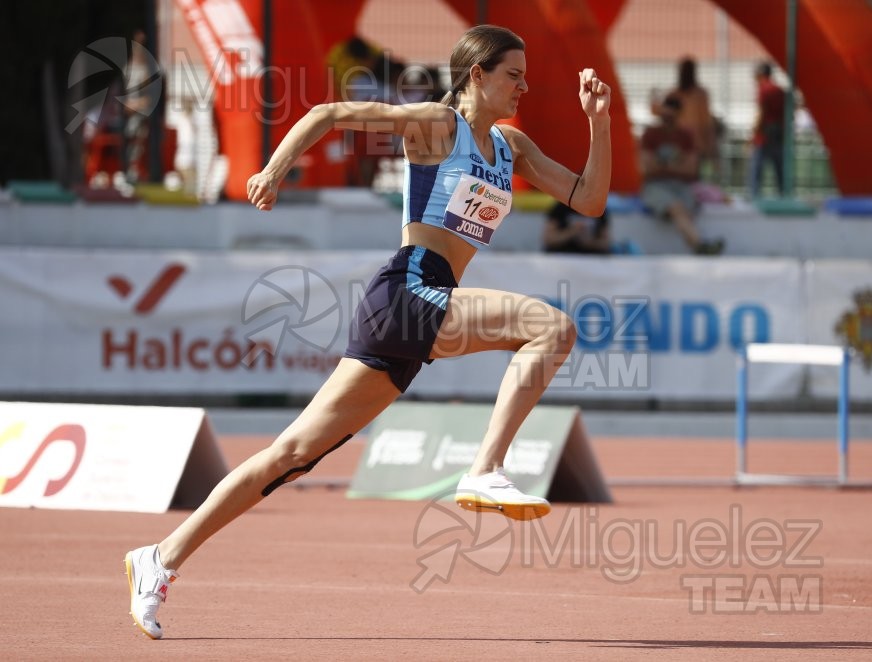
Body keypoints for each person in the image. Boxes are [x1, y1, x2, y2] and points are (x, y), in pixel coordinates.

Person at [124, 24, 612, 640]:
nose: (524, 86)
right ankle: (485, 467)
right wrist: (274, 170)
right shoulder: (438, 125)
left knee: (291, 455)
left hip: (428, 306)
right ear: (477, 75)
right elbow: (329, 112)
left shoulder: (512, 147)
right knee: (552, 327)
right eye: (513, 74)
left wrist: (598, 120)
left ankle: (160, 558)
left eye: (525, 75)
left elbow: (589, 200)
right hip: (408, 289)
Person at [640, 93, 724, 255]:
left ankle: (698, 243)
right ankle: (699, 245)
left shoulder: (685, 135)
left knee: (683, 208)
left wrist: (663, 166)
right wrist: (676, 164)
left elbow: (691, 168)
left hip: (680, 186)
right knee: (676, 207)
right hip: (656, 186)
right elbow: (647, 166)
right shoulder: (651, 134)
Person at [665, 57, 718, 180]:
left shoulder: (696, 94)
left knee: (689, 178)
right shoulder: (675, 94)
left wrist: (710, 146)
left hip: (691, 145)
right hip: (682, 144)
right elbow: (706, 123)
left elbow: (706, 123)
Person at [748, 61, 785, 198]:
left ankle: (754, 197)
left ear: (760, 75)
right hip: (779, 134)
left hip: (764, 135)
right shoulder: (780, 90)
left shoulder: (764, 90)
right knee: (780, 169)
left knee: (756, 170)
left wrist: (754, 133)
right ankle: (784, 196)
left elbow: (761, 114)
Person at [543, 201, 611, 254]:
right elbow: (548, 239)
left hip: (591, 258)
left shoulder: (600, 209)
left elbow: (606, 243)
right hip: (562, 256)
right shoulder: (560, 207)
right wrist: (571, 232)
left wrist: (590, 243)